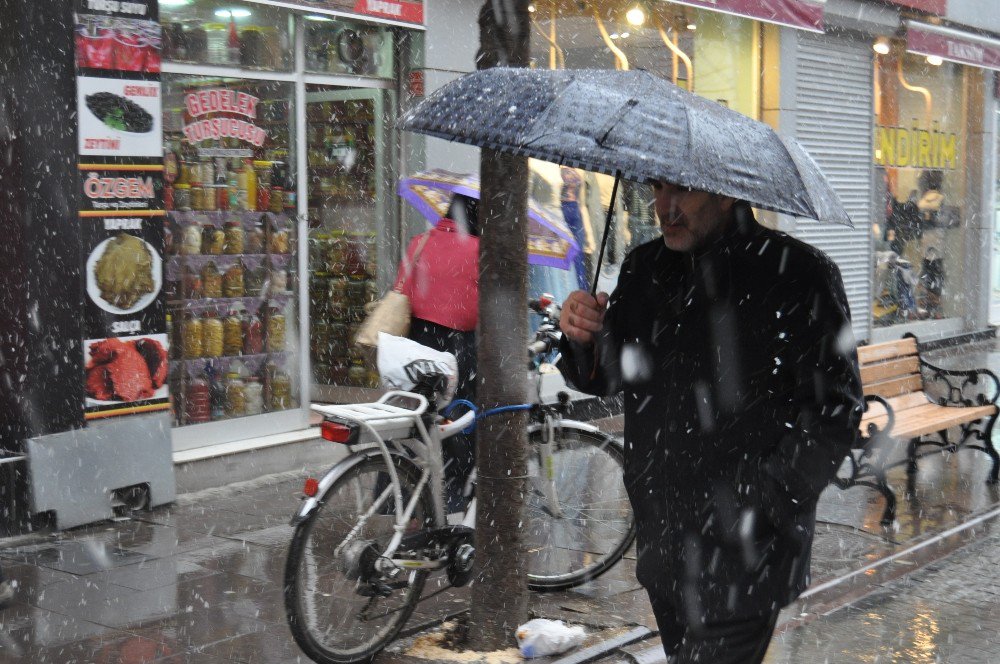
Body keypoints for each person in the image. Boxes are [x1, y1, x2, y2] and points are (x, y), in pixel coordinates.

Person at [557, 181, 863, 663]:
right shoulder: (644, 268)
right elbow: (609, 376)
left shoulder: (800, 274)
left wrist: (759, 500)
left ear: (727, 192)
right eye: (657, 190)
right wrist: (582, 336)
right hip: (664, 541)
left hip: (747, 556)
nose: (664, 208)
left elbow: (834, 411)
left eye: (681, 193)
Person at [394, 194, 479, 512]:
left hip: (417, 343)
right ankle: (455, 491)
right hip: (459, 346)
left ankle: (403, 489)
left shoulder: (420, 241)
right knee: (459, 414)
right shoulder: (478, 249)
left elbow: (401, 288)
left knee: (418, 413)